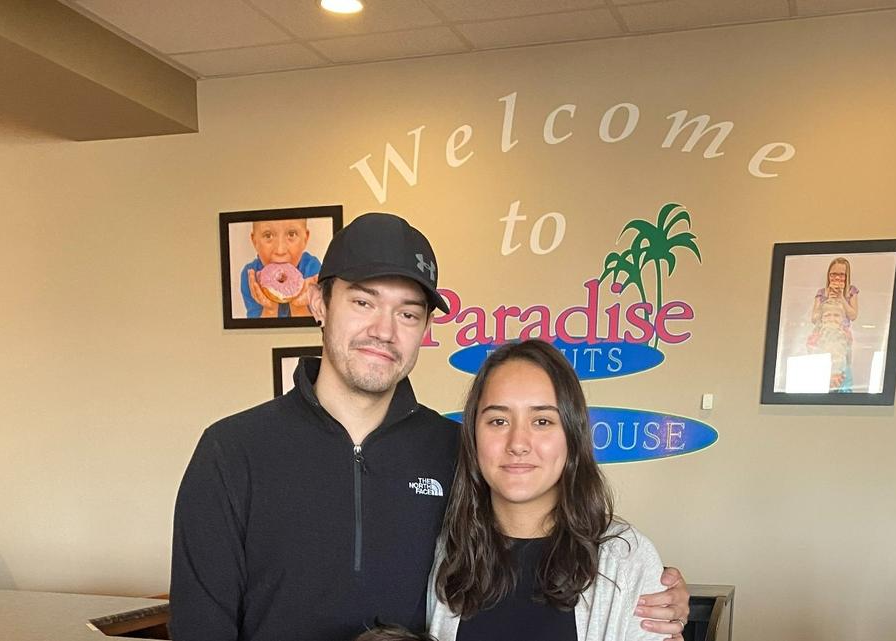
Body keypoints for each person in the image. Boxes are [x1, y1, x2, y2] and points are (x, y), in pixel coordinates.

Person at [171, 213, 691, 641]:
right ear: (319, 303)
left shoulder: (458, 453)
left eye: (408, 314)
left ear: (424, 328)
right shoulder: (232, 452)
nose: (383, 330)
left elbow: (543, 545)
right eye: (363, 302)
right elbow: (200, 627)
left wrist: (652, 588)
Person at [428, 340, 669, 641]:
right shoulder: (443, 551)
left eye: (542, 421)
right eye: (498, 421)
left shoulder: (627, 559)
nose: (518, 443)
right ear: (473, 435)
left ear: (572, 434)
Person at [240, 217, 321, 318]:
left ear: (305, 239)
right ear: (255, 241)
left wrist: (299, 307)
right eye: (268, 235)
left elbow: (318, 326)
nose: (280, 250)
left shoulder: (313, 271)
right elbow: (256, 328)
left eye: (291, 234)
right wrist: (270, 310)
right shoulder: (251, 277)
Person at [808, 257, 859, 391]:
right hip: (824, 336)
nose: (837, 278)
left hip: (842, 337)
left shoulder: (851, 291)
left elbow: (853, 315)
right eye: (833, 274)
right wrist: (826, 301)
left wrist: (841, 297)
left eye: (841, 275)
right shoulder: (822, 293)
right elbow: (814, 318)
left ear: (847, 276)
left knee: (842, 369)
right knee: (824, 371)